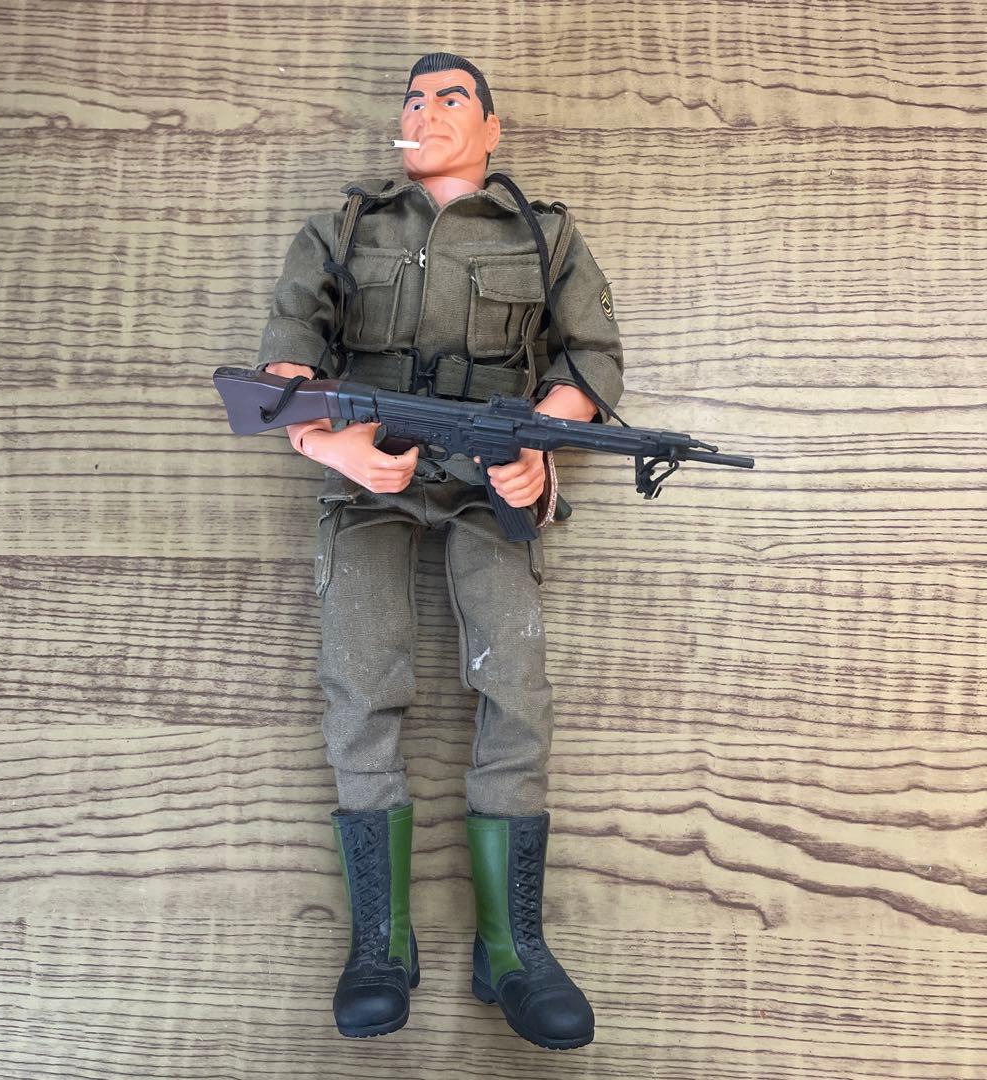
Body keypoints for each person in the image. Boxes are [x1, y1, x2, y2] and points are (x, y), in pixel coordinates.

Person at [256, 52, 624, 1049]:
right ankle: (381, 944)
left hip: (489, 482)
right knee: (360, 686)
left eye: (451, 98)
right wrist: (329, 444)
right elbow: (286, 358)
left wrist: (536, 446)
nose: (426, 112)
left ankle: (512, 949)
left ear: (491, 127)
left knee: (516, 693)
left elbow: (590, 359)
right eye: (413, 99)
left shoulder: (544, 235)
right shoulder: (343, 228)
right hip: (368, 477)